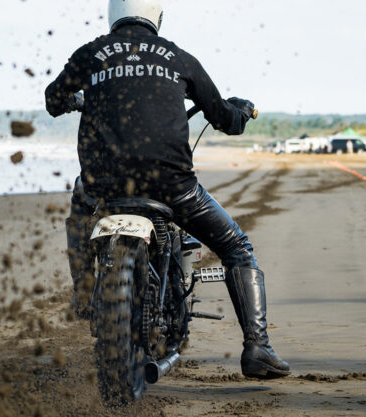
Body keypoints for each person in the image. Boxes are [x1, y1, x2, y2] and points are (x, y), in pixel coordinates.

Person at [45, 0, 289, 379]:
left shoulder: (90, 53)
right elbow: (223, 117)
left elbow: (52, 98)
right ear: (156, 16)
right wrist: (239, 111)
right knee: (237, 248)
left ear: (114, 15)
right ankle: (258, 347)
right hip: (172, 186)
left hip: (103, 186)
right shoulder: (179, 57)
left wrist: (75, 101)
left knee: (80, 202)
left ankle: (84, 292)